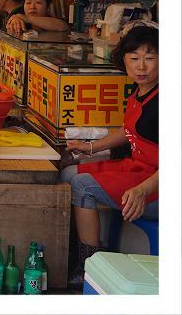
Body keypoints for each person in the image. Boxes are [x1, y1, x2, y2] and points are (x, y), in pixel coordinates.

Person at [61, 25, 159, 288]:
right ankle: (81, 250)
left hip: (157, 186)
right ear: (124, 60)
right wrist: (91, 147)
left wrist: (141, 190)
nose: (141, 66)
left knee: (83, 186)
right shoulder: (140, 91)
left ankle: (88, 267)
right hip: (139, 169)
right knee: (69, 172)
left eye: (150, 58)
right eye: (134, 58)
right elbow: (128, 131)